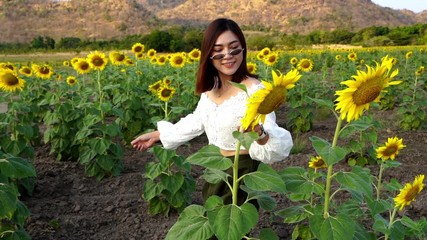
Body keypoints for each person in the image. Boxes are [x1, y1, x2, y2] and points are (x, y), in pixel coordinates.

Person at [131, 18, 293, 205]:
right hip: (215, 169)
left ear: (243, 49)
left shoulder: (256, 90)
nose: (228, 55)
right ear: (208, 55)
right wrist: (160, 134)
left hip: (241, 172)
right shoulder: (212, 88)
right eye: (218, 51)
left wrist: (259, 133)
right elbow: (198, 120)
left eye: (234, 48)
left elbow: (270, 134)